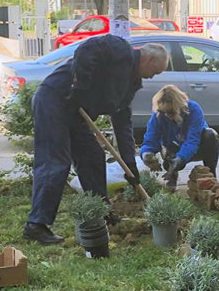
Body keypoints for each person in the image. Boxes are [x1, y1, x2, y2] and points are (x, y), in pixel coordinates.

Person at [23, 36, 169, 244]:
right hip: (56, 99)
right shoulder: (121, 49)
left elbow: (122, 122)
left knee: (93, 156)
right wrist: (79, 88)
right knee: (55, 162)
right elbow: (86, 49)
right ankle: (36, 225)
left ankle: (100, 211)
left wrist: (129, 162)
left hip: (76, 112)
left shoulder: (130, 84)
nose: (154, 77)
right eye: (156, 71)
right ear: (149, 60)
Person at [140, 85, 219, 190]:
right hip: (173, 147)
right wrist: (147, 154)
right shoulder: (158, 115)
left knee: (211, 135)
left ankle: (210, 174)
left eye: (171, 112)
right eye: (164, 112)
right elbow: (150, 139)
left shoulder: (193, 109)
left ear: (180, 107)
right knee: (169, 155)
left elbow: (192, 141)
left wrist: (180, 159)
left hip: (197, 147)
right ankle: (172, 175)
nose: (167, 115)